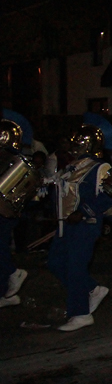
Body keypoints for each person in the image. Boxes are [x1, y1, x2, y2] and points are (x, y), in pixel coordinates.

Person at [49, 113, 112, 331]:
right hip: (64, 224)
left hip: (85, 224)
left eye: (80, 140)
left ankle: (80, 313)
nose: (74, 144)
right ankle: (92, 289)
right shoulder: (71, 166)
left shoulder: (100, 167)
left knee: (75, 267)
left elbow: (109, 195)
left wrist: (83, 211)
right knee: (55, 263)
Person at [0, 115, 31, 308]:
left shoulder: (12, 160)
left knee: (1, 249)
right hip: (7, 211)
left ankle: (12, 273)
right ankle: (5, 293)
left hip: (5, 211)